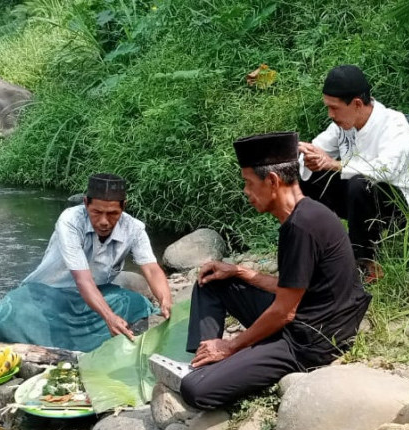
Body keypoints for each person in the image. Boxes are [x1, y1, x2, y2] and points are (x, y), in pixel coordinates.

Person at [157, 132, 371, 410]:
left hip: (310, 342)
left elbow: (285, 312)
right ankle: (201, 359)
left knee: (195, 390)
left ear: (272, 181)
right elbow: (293, 287)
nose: (246, 192)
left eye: (248, 183)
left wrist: (231, 347)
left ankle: (204, 370)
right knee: (211, 281)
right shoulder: (306, 214)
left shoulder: (301, 226)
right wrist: (239, 272)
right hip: (303, 319)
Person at [0, 173, 172, 352]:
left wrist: (165, 300)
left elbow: (151, 269)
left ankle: (71, 342)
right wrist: (109, 317)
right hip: (48, 295)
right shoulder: (70, 221)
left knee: (137, 303)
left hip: (94, 297)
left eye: (113, 213)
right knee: (2, 317)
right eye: (97, 212)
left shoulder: (134, 229)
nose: (105, 221)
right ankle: (91, 341)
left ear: (124, 207)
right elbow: (82, 280)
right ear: (85, 203)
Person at [297, 65, 409, 282]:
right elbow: (318, 148)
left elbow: (386, 168)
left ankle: (364, 261)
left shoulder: (394, 122)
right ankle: (322, 251)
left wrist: (335, 165)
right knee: (309, 176)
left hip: (400, 208)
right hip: (359, 201)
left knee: (360, 182)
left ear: (357, 103)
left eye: (334, 108)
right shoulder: (342, 125)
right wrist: (306, 154)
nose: (330, 115)